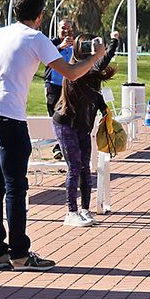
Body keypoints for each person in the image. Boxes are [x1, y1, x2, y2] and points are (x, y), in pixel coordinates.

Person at [0, 0, 108, 271]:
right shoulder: (36, 37)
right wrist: (96, 56)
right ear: (40, 15)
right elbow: (71, 73)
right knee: (15, 186)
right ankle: (20, 254)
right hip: (9, 117)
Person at [53, 36, 117, 227]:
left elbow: (94, 94)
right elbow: (100, 64)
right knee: (74, 166)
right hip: (66, 124)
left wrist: (104, 108)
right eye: (88, 47)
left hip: (83, 124)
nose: (93, 50)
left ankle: (85, 209)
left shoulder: (92, 72)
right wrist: (108, 49)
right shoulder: (74, 71)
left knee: (85, 167)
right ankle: (71, 212)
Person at [43, 18, 76, 119]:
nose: (66, 31)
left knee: (70, 114)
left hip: (70, 85)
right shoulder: (50, 43)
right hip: (53, 85)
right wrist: (61, 46)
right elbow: (46, 59)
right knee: (54, 115)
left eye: (68, 29)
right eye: (63, 28)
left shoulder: (75, 44)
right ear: (58, 30)